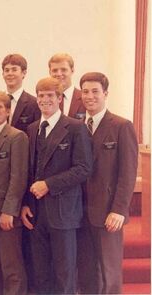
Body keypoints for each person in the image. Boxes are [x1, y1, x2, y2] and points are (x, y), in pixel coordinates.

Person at [20, 77, 92, 294]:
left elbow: (83, 168)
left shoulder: (75, 128)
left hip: (63, 212)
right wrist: (25, 204)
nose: (44, 99)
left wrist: (49, 185)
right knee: (40, 272)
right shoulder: (32, 129)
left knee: (64, 272)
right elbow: (27, 171)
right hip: (36, 213)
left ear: (60, 98)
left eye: (50, 95)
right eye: (41, 95)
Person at [77, 72, 138, 294]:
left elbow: (128, 173)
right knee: (85, 270)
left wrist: (119, 210)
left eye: (95, 91)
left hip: (108, 212)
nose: (90, 96)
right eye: (85, 91)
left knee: (109, 271)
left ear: (106, 94)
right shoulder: (76, 126)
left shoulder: (122, 126)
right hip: (79, 212)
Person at [0, 91, 28, 295]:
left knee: (11, 267)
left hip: (5, 213)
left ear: (8, 111)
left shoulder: (17, 137)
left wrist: (9, 210)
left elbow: (18, 177)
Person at [1, 54, 40, 132]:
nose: (10, 73)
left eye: (14, 70)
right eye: (7, 70)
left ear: (24, 73)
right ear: (3, 74)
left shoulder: (34, 103)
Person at [48, 53, 86, 120]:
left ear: (72, 70)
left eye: (63, 70)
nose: (59, 74)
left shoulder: (84, 98)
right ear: (50, 72)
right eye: (55, 70)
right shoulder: (43, 99)